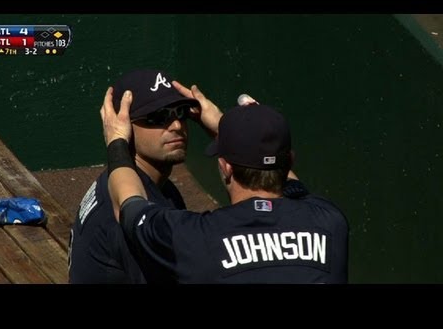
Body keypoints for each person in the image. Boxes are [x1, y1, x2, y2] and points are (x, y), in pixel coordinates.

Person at [101, 82, 349, 284]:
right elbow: (294, 188)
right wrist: (248, 131)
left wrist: (117, 141)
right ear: (290, 161)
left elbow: (129, 205)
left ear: (225, 167)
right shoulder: (330, 222)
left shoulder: (196, 238)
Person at [68, 69, 199, 283]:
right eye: (158, 117)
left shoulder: (152, 186)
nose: (176, 126)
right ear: (125, 126)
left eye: (181, 112)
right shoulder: (121, 213)